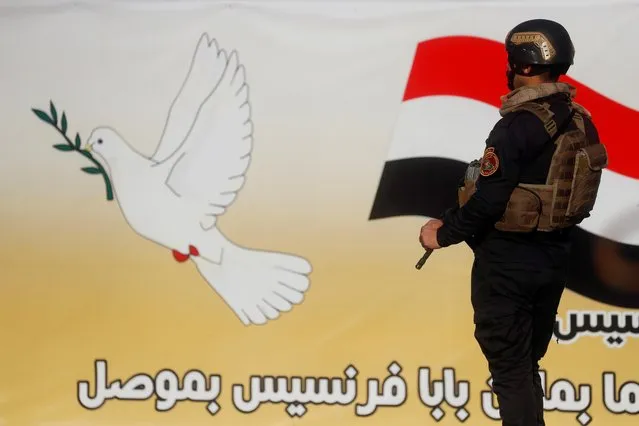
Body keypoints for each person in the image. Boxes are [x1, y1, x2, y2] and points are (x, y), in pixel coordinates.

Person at [418, 19, 608, 426]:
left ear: (522, 67)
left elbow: (488, 200)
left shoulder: (519, 124)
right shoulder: (579, 119)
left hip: (507, 266)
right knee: (525, 366)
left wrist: (442, 233)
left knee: (510, 369)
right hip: (553, 262)